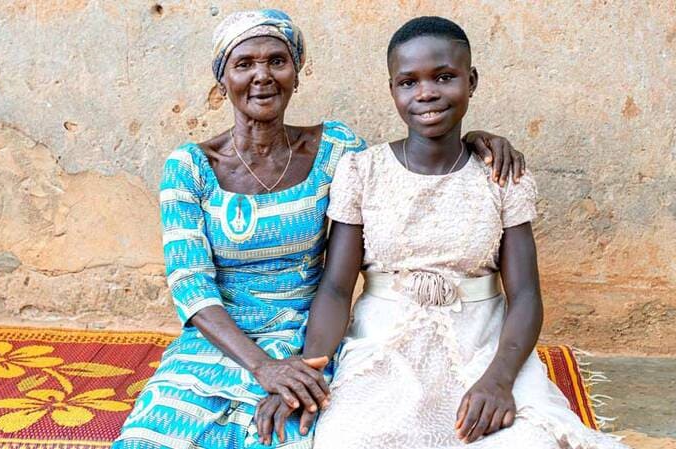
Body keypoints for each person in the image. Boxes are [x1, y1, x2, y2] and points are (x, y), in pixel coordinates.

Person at [112, 9, 526, 449]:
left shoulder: (335, 149)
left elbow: (407, 166)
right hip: (216, 340)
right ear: (222, 81)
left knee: (282, 436)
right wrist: (262, 367)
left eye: (276, 61)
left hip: (307, 337)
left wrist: (472, 142)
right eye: (244, 64)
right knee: (151, 438)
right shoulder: (190, 168)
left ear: (296, 73)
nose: (262, 76)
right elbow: (191, 288)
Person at [255, 16, 630, 449]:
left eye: (444, 77)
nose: (426, 93)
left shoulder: (499, 175)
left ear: (471, 81)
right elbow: (338, 289)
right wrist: (310, 369)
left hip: (483, 344)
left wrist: (499, 380)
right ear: (392, 90)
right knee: (348, 439)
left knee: (527, 441)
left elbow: (525, 294)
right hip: (385, 340)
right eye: (408, 82)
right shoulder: (361, 171)